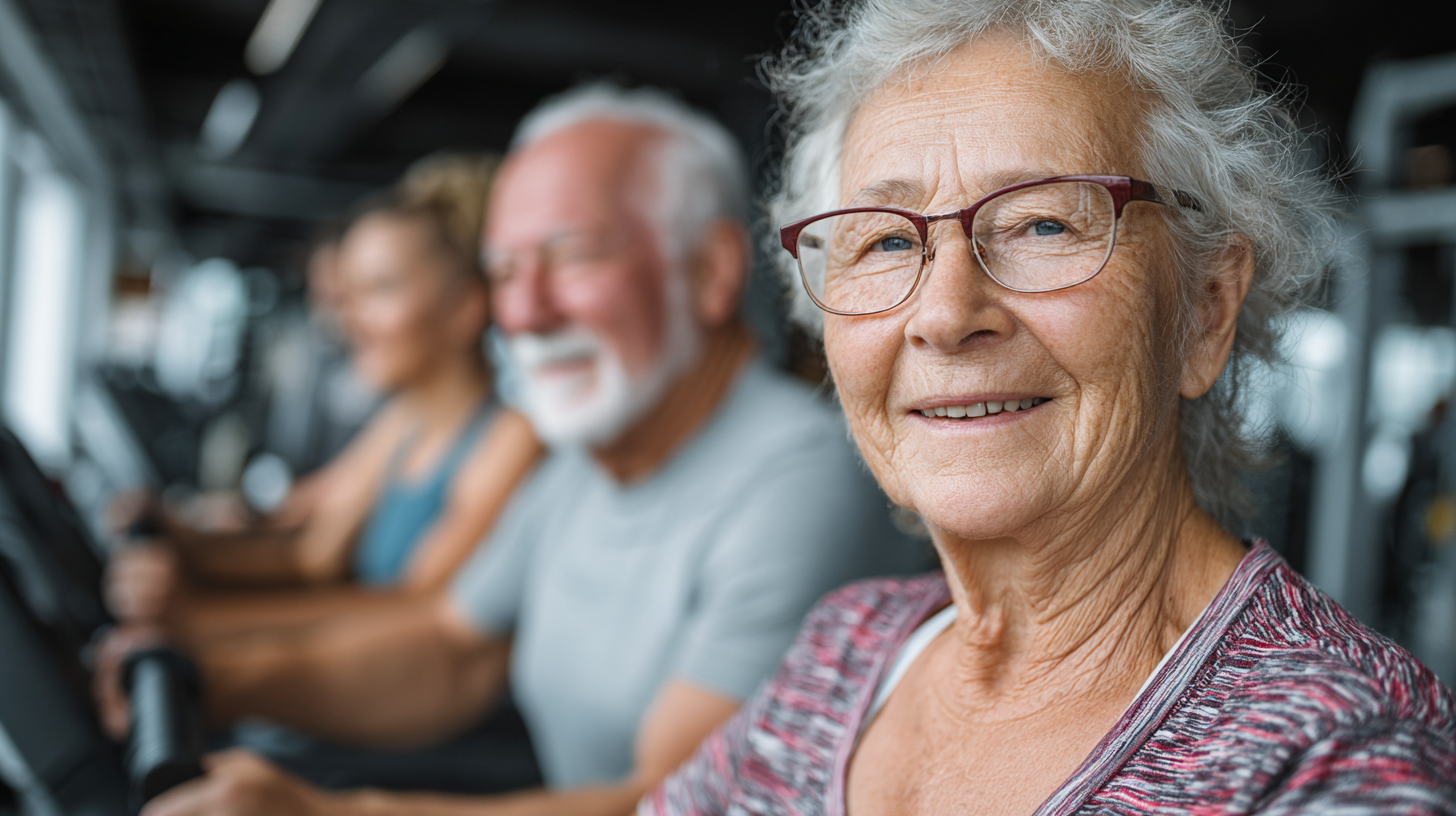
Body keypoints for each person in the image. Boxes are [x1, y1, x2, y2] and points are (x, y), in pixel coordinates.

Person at [644, 1, 1456, 813]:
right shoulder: (847, 651)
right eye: (886, 241)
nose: (945, 314)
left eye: (1041, 223)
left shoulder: (1338, 754)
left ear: (1204, 310)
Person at [117, 84, 921, 816]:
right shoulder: (589, 459)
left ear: (710, 272)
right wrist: (208, 675)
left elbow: (677, 802)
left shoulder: (801, 476)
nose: (527, 313)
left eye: (574, 257)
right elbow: (451, 649)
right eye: (506, 271)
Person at [103, 154, 543, 652]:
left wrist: (198, 621)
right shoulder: (407, 420)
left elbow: (415, 613)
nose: (348, 321)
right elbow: (313, 556)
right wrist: (181, 542)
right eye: (349, 296)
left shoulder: (512, 439)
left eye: (380, 289)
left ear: (465, 306)